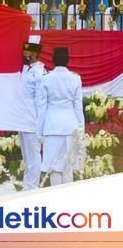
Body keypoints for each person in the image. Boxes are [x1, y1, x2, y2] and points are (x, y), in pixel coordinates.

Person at [36, 47, 85, 186]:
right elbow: (78, 107)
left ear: (53, 59)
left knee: (54, 167)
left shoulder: (46, 79)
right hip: (71, 126)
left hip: (52, 126)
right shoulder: (75, 79)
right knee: (68, 167)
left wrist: (39, 131)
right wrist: (81, 129)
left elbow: (42, 108)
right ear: (67, 60)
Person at [18, 38, 46, 190]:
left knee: (33, 157)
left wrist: (40, 126)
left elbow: (41, 103)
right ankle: (27, 186)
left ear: (35, 53)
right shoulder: (26, 70)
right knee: (27, 157)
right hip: (22, 118)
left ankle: (32, 188)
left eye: (27, 50)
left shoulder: (39, 73)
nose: (24, 53)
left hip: (32, 120)